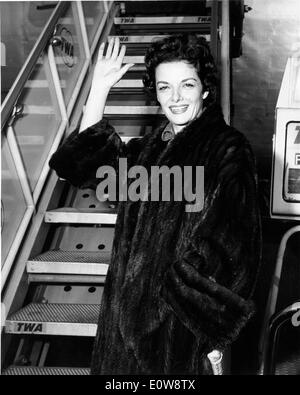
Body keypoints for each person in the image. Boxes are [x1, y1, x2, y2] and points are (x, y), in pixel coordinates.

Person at [49, 34, 261, 374]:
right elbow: (92, 167)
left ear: (205, 89)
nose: (175, 98)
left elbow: (232, 248)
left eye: (186, 85)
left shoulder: (226, 148)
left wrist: (192, 327)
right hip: (120, 330)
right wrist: (99, 88)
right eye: (164, 88)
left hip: (175, 335)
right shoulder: (150, 149)